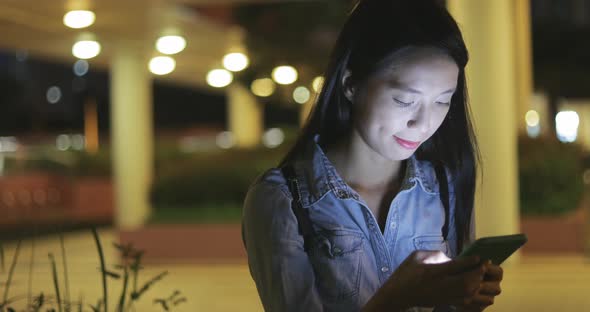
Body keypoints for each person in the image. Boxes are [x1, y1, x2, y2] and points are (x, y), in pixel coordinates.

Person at [242, 0, 504, 311]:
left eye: (442, 101)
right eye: (405, 100)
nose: (423, 124)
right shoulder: (283, 199)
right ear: (351, 83)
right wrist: (396, 299)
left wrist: (467, 300)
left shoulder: (442, 186)